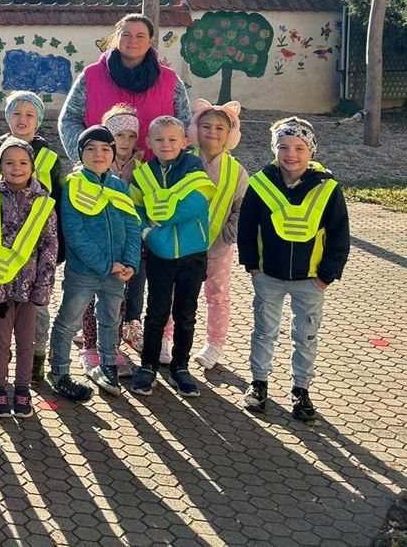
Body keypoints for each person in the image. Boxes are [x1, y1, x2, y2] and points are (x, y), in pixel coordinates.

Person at [238, 117, 349, 421]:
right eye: (283, 146)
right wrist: (252, 268)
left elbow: (340, 235)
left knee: (306, 336)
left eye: (299, 147)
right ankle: (259, 384)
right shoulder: (261, 184)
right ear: (274, 148)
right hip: (268, 277)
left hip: (310, 281)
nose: (291, 154)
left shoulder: (328, 188)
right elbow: (246, 228)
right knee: (264, 332)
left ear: (311, 150)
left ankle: (301, 390)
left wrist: (326, 276)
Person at [0, 91, 64, 382]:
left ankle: (35, 360)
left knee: (38, 314)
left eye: (29, 114)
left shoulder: (48, 156)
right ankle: (1, 366)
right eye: (16, 113)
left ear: (38, 119)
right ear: (7, 117)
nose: (22, 119)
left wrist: (56, 253)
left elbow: (57, 202)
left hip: (34, 260)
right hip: (0, 257)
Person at [47, 127, 142, 404]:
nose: (98, 154)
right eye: (91, 149)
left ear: (113, 153)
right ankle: (60, 372)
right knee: (68, 322)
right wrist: (105, 264)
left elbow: (132, 225)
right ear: (80, 154)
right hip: (85, 273)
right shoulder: (74, 185)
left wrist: (130, 263)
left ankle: (108, 365)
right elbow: (75, 233)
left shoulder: (118, 186)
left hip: (117, 273)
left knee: (111, 320)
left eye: (105, 149)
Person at [129, 116, 214, 399]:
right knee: (155, 313)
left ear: (184, 142)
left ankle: (180, 367)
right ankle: (148, 367)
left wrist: (159, 216)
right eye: (159, 140)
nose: (166, 144)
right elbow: (137, 206)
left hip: (193, 253)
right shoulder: (144, 173)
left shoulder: (194, 166)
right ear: (149, 143)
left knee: (185, 315)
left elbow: (195, 203)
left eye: (172, 139)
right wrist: (147, 233)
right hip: (159, 253)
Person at [0, 137, 59, 418]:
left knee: (27, 343)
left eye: (23, 162)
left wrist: (42, 291)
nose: (16, 168)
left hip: (30, 290)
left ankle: (22, 389)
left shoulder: (45, 204)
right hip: (0, 289)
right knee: (1, 343)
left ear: (32, 167)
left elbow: (50, 248)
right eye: (9, 163)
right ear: (0, 167)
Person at [164, 100, 247, 370]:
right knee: (173, 293)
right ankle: (166, 339)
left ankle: (214, 344)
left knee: (218, 295)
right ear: (194, 130)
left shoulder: (237, 172)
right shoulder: (183, 162)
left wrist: (226, 237)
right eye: (206, 126)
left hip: (217, 247)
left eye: (220, 127)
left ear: (230, 134)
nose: (212, 132)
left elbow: (240, 210)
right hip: (181, 245)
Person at [58, 13, 192, 161]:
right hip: (102, 174)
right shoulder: (91, 76)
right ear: (117, 39)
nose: (133, 40)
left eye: (140, 36)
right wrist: (86, 158)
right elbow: (69, 119)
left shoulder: (170, 81)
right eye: (126, 34)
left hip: (156, 175)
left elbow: (185, 125)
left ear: (150, 42)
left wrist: (175, 164)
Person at [79, 103, 142, 374]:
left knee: (118, 297)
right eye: (119, 136)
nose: (125, 142)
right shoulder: (92, 165)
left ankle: (112, 346)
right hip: (94, 245)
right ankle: (89, 346)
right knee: (88, 296)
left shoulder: (140, 167)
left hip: (122, 244)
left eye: (131, 136)